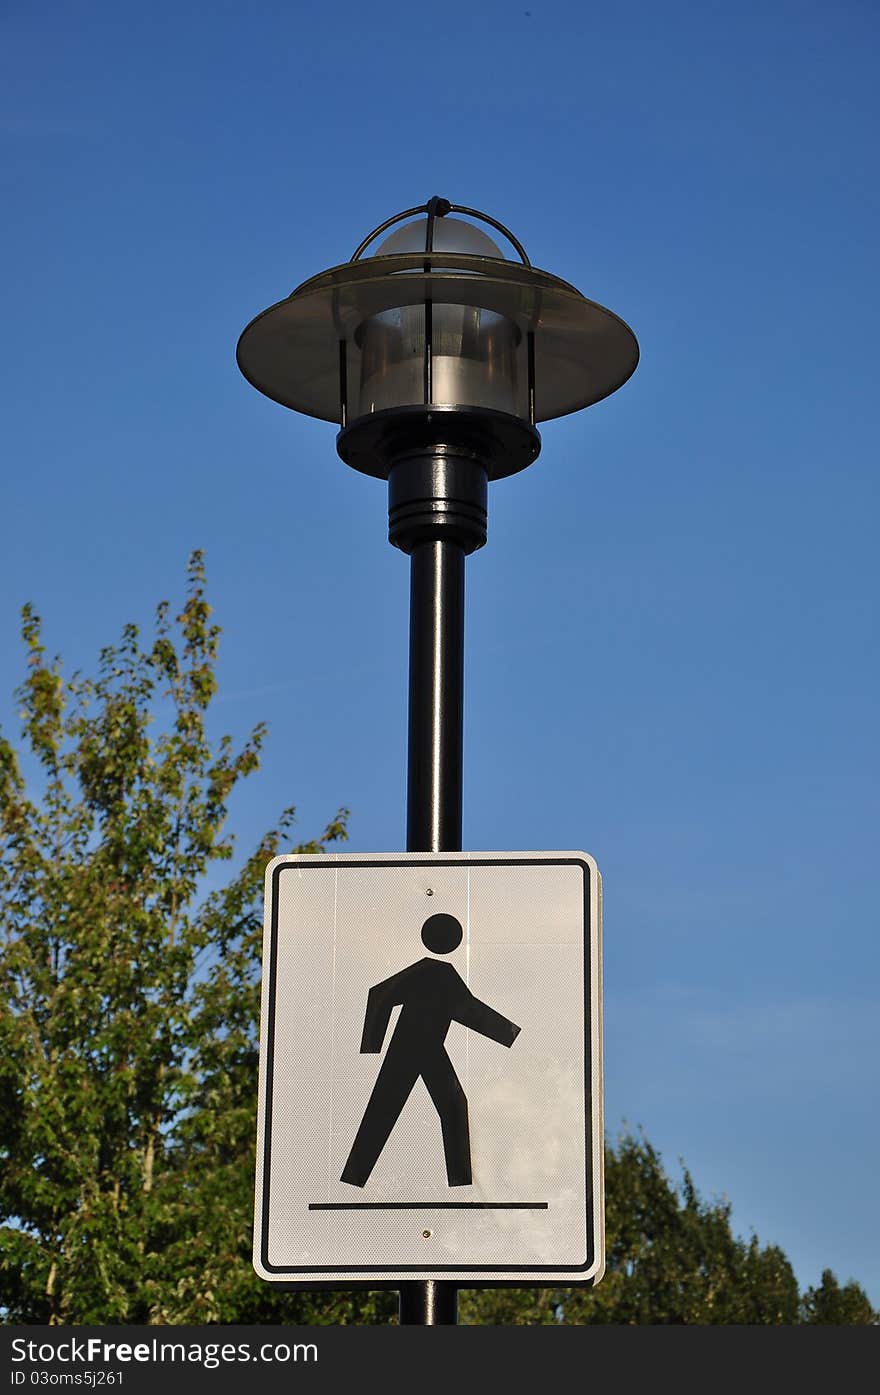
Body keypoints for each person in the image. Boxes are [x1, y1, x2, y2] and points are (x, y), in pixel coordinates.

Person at [340, 912, 520, 1187]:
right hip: (408, 1049)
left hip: (429, 1050)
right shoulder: (434, 972)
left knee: (452, 1106)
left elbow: (467, 1010)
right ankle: (354, 1180)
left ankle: (460, 1185)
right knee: (387, 1109)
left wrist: (509, 1034)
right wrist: (370, 1046)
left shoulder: (436, 972)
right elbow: (380, 995)